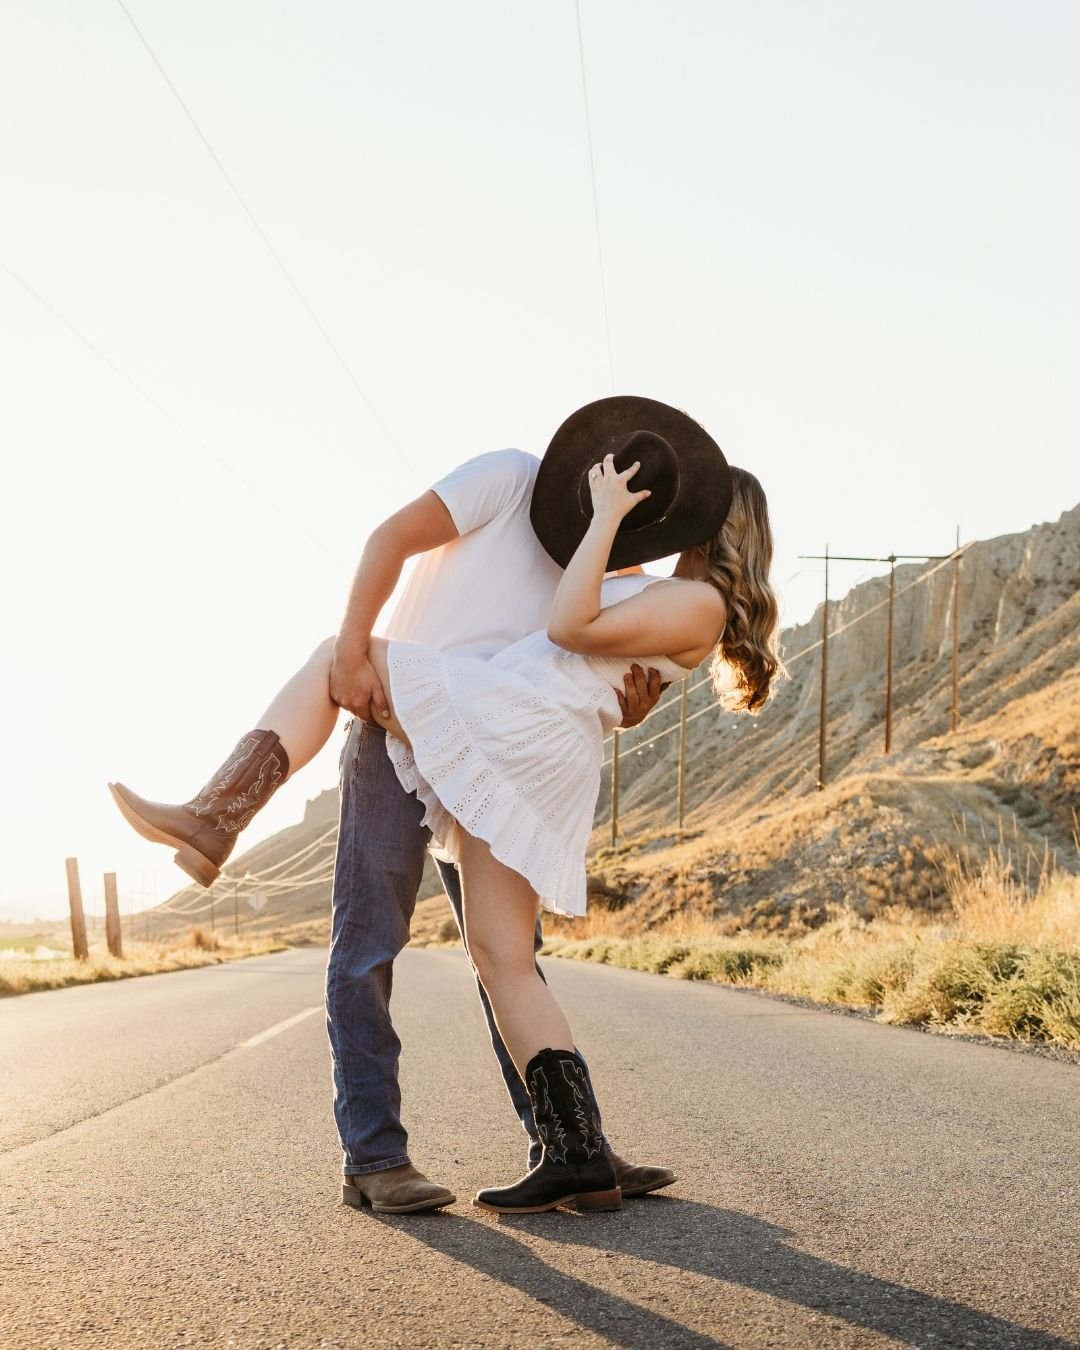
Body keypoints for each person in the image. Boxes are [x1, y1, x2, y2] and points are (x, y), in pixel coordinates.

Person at [110, 397, 781, 1212]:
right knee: (500, 959)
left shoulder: (630, 572)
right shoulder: (512, 484)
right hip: (476, 740)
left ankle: (216, 815)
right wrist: (621, 696)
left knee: (329, 660)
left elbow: (580, 638)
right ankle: (563, 1154)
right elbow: (399, 546)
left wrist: (607, 541)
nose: (656, 514)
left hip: (494, 724)